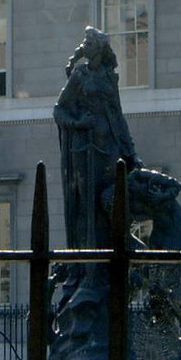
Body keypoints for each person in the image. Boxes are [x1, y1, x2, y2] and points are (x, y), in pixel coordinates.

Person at [53, 26, 142, 248]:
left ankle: (115, 253)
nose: (86, 46)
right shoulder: (79, 75)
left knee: (112, 200)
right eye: (86, 43)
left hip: (110, 147)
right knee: (88, 206)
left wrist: (131, 153)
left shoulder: (110, 77)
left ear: (100, 49)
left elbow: (118, 116)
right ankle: (91, 263)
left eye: (90, 42)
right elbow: (59, 110)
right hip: (85, 150)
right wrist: (78, 123)